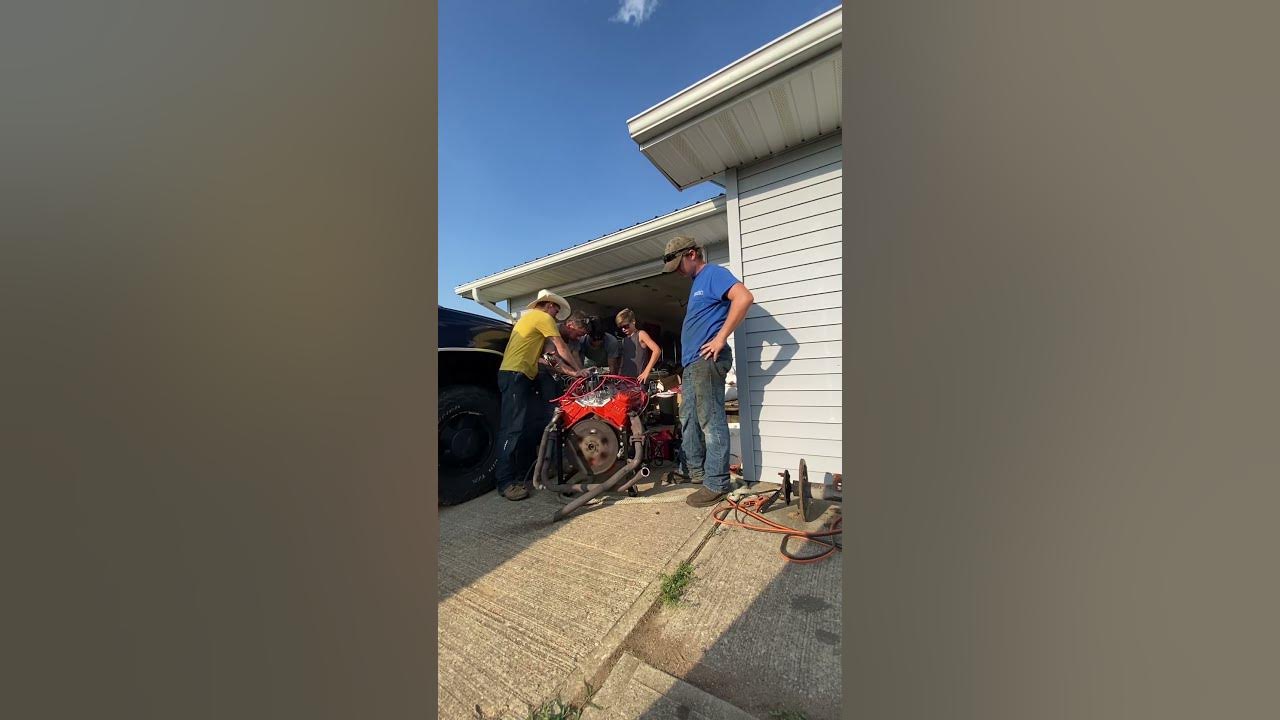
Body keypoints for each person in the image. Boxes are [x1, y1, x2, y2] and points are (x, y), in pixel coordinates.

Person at [661, 235, 754, 507]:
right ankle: (694, 471)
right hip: (692, 364)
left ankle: (716, 483)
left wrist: (721, 337)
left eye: (679, 263)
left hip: (706, 361)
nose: (677, 270)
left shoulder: (713, 273)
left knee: (711, 421)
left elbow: (744, 298)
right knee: (688, 418)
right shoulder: (696, 284)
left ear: (691, 254)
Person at [495, 290, 585, 501]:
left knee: (525, 426)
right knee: (511, 430)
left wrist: (575, 374)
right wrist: (579, 370)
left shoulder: (531, 321)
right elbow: (561, 347)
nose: (557, 313)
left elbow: (552, 359)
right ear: (548, 305)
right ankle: (505, 483)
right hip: (516, 375)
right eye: (556, 308)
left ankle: (521, 473)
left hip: (520, 375)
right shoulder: (543, 317)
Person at [615, 308, 662, 382]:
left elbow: (657, 350)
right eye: (621, 327)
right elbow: (623, 360)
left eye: (626, 326)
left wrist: (646, 371)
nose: (623, 329)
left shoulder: (641, 334)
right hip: (625, 380)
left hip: (638, 380)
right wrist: (619, 374)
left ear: (633, 322)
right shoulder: (624, 340)